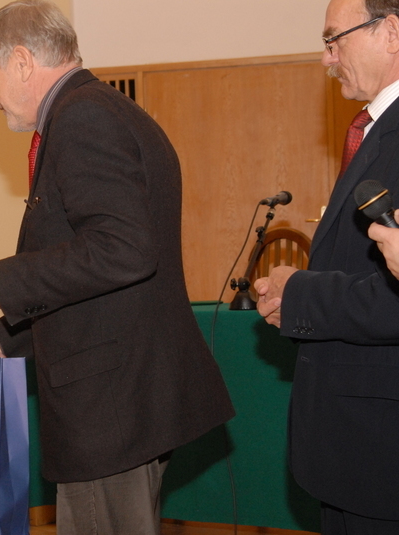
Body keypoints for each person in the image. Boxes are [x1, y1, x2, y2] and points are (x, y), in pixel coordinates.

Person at [0, 2, 235, 534]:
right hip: (122, 399)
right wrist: (6, 340)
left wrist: (0, 282)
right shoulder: (101, 108)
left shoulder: (83, 117)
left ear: (21, 62)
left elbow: (122, 248)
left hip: (110, 407)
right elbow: (96, 283)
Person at [253, 0, 399, 532]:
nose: (326, 58)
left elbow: (392, 299)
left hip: (380, 444)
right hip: (357, 442)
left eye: (334, 39)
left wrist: (299, 295)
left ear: (390, 32)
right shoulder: (375, 129)